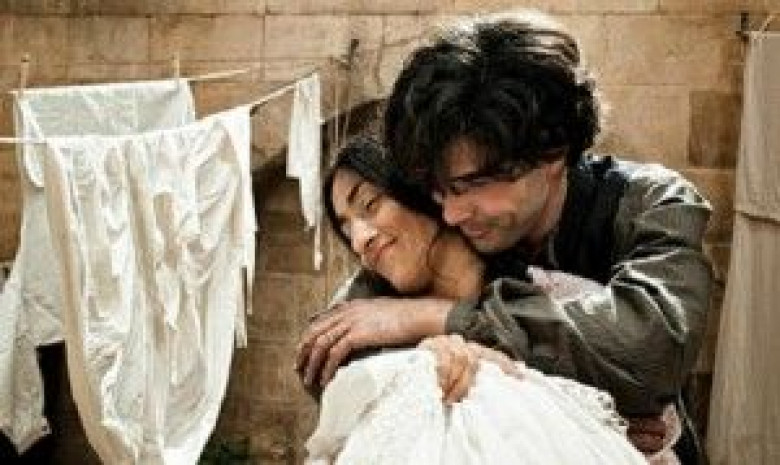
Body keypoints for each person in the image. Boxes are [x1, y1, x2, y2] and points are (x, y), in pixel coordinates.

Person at [297, 10, 712, 464]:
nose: (451, 213)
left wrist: (445, 319)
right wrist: (443, 361)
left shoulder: (650, 202)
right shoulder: (441, 226)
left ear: (552, 152)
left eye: (471, 185)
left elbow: (649, 348)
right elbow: (335, 352)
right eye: (438, 189)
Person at [303, 137, 652, 465]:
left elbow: (650, 402)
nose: (359, 241)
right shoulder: (360, 322)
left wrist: (578, 412)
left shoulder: (556, 295)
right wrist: (419, 364)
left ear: (426, 191)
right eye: (346, 231)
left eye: (370, 205)